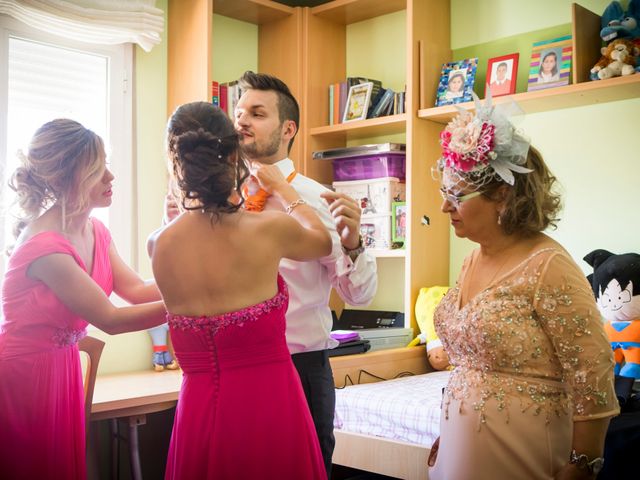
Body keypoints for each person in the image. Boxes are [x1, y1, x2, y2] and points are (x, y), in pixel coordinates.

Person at [427, 95, 619, 480]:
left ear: (502, 194)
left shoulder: (548, 265)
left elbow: (592, 371)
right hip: (463, 448)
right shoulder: (471, 261)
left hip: (525, 449)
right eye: (445, 193)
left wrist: (584, 463)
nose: (445, 207)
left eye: (457, 195)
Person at [151, 101, 331, 479]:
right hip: (270, 402)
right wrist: (287, 192)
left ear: (175, 162)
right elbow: (322, 242)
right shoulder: (269, 228)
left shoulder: (160, 245)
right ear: (234, 154)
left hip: (199, 407)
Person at [0, 119, 167, 479]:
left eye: (107, 164)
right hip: (24, 375)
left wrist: (199, 278)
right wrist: (198, 305)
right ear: (64, 179)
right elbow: (111, 319)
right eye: (96, 170)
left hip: (62, 368)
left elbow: (137, 291)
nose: (110, 177)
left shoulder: (95, 230)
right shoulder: (45, 248)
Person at [234, 71, 378, 474]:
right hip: (238, 367)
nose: (242, 121)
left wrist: (353, 245)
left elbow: (360, 296)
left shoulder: (319, 200)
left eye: (257, 113)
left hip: (300, 367)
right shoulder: (222, 199)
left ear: (287, 129)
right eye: (239, 112)